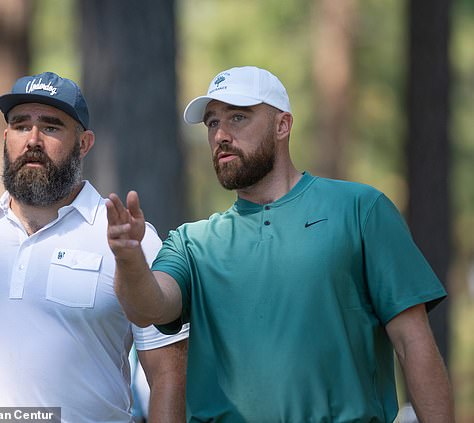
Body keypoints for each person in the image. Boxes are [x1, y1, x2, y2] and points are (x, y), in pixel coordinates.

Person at [106, 66, 454, 422]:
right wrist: (129, 258)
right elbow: (148, 307)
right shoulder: (192, 243)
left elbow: (413, 345)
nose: (221, 135)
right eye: (212, 123)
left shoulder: (360, 210)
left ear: (282, 125)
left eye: (238, 117)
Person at [0, 71, 188, 422]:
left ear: (84, 144)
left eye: (51, 127)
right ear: (6, 136)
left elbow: (167, 375)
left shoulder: (129, 239)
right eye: (21, 126)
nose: (33, 139)